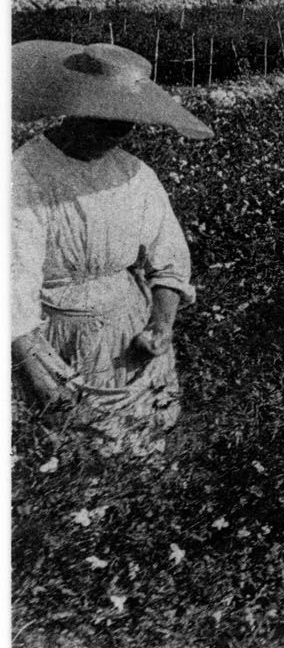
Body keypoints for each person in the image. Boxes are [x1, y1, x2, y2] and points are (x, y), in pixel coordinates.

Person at [11, 41, 212, 459]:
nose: (118, 134)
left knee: (145, 448)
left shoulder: (134, 175)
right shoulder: (23, 175)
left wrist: (161, 322)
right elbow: (10, 284)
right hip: (54, 340)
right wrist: (38, 368)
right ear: (78, 109)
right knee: (73, 456)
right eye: (108, 122)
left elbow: (168, 256)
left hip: (130, 335)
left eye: (127, 124)